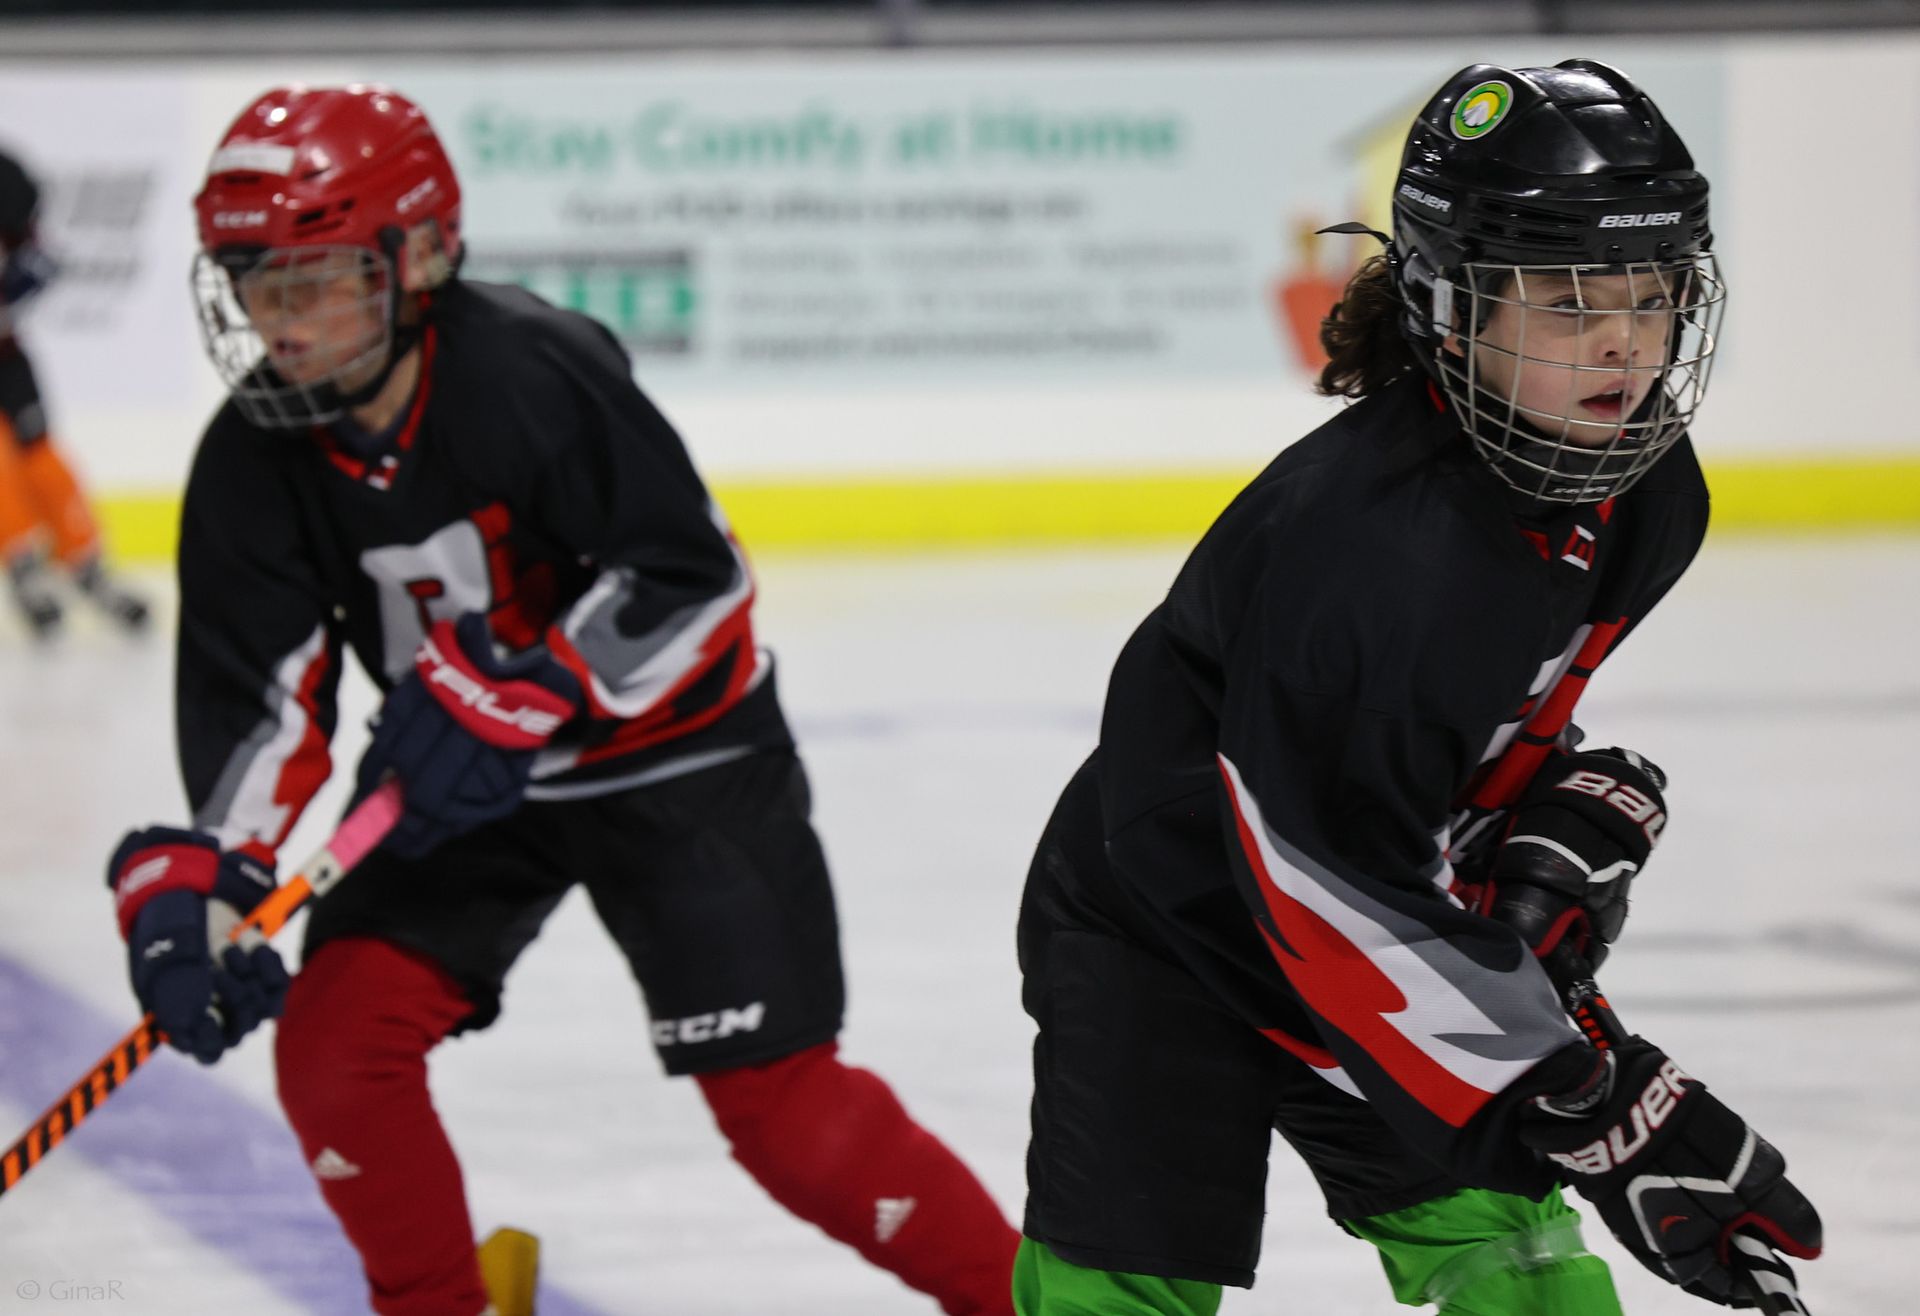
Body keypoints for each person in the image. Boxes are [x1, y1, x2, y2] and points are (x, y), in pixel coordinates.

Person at [102, 85, 1018, 1316]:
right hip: (457, 786)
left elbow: (691, 580)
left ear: (418, 254)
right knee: (334, 1051)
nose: (283, 323)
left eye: (314, 280)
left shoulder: (535, 369)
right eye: (258, 285)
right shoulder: (247, 462)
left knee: (784, 1112)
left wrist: (535, 688)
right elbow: (264, 703)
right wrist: (213, 881)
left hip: (675, 760)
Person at [1013, 60, 1823, 1316]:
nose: (1622, 338)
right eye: (1566, 301)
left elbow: (1467, 727)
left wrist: (1547, 807)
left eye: (1652, 294)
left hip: (1356, 895)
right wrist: (1598, 1098)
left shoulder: (1650, 492)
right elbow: (1320, 875)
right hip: (1160, 923)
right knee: (1123, 1290)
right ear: (1455, 307)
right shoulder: (1371, 549)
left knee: (1524, 1273)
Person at [0, 146, 149, 637]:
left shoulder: (8, 178)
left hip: (7, 358)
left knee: (40, 455)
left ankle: (84, 558)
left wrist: (16, 285)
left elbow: (38, 259)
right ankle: (23, 564)